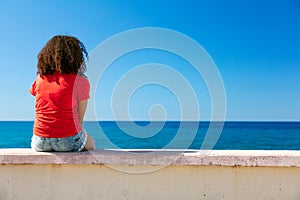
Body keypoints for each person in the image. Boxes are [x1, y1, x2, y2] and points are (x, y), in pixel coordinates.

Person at [30, 35, 95, 152]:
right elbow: (79, 119)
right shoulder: (80, 82)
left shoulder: (39, 79)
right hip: (68, 140)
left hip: (39, 141)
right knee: (92, 144)